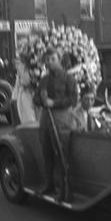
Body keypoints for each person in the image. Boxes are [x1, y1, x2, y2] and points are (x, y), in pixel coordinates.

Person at [38, 47, 78, 202]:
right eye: (47, 60)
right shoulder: (44, 79)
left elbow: (73, 100)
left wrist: (53, 102)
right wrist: (41, 99)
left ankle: (64, 190)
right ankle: (49, 184)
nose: (49, 62)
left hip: (61, 120)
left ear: (59, 59)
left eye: (52, 59)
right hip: (45, 120)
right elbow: (36, 99)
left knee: (62, 155)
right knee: (47, 153)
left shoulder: (69, 79)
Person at [11, 56, 38, 124]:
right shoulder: (19, 72)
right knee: (23, 114)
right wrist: (14, 97)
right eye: (15, 63)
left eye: (18, 63)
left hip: (27, 94)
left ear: (24, 63)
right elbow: (17, 85)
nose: (16, 65)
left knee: (29, 113)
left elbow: (28, 82)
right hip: (22, 94)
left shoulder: (28, 71)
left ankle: (30, 127)